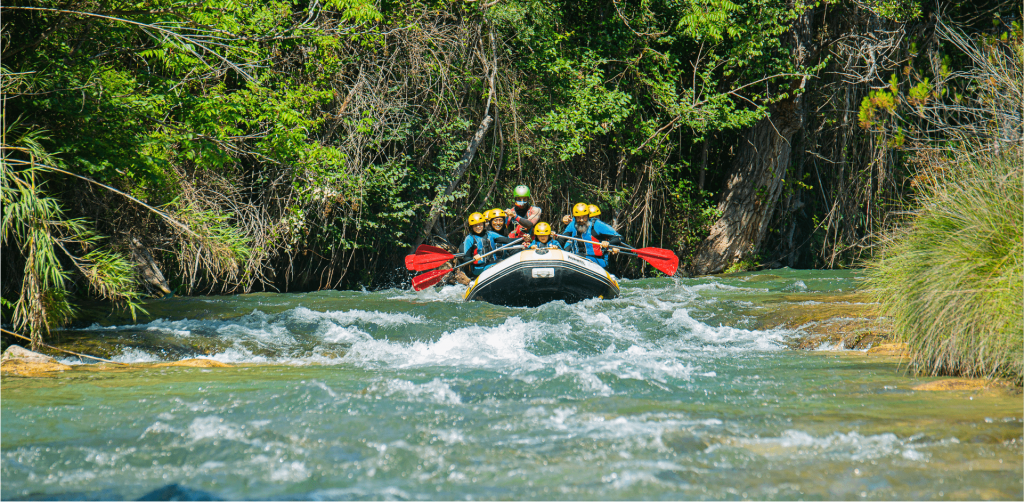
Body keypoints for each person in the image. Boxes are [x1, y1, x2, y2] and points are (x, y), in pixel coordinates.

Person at [556, 202, 621, 268]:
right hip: (576, 259)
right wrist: (555, 245)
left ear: (588, 216)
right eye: (578, 218)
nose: (581, 220)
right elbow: (561, 240)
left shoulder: (597, 224)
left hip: (596, 261)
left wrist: (609, 243)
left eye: (584, 217)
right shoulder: (572, 224)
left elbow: (619, 238)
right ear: (575, 218)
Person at [460, 212, 494, 278]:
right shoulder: (469, 238)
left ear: (483, 225)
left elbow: (506, 240)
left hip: (490, 263)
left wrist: (520, 239)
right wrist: (473, 258)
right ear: (471, 227)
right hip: (478, 268)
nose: (478, 227)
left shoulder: (489, 234)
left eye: (480, 224)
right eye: (475, 225)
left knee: (501, 261)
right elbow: (466, 258)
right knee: (499, 262)